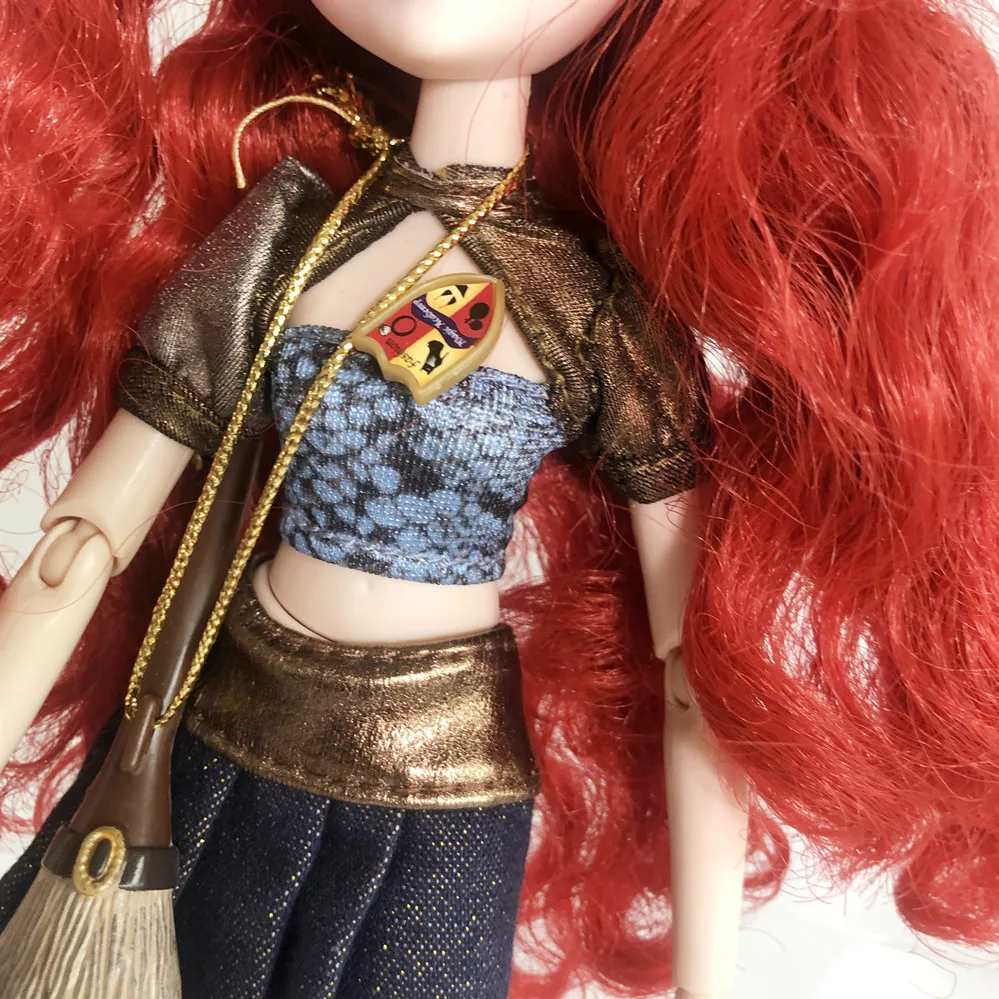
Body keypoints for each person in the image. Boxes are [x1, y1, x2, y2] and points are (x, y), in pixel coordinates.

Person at [2, 1, 999, 997]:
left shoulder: (586, 305)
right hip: (225, 733)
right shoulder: (288, 236)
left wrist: (706, 977)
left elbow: (694, 668)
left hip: (440, 791)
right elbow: (78, 548)